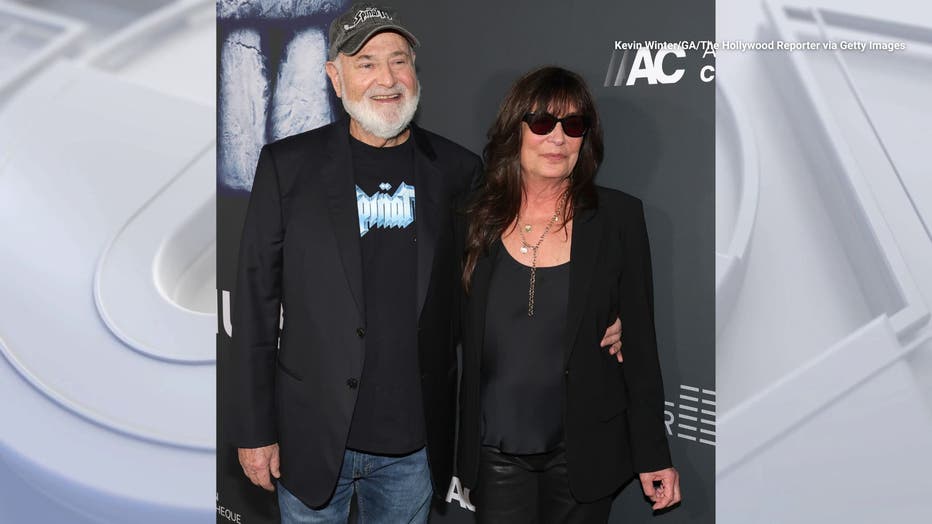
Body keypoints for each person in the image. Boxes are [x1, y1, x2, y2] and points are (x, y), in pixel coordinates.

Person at [225, 4, 624, 522]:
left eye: (399, 61)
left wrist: (601, 320)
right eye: (365, 63)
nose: (386, 79)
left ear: (415, 72)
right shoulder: (287, 167)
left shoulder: (458, 172)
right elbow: (256, 307)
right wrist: (256, 430)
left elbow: (500, 283)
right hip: (311, 436)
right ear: (334, 77)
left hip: (412, 449)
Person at [455, 66, 681, 523]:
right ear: (514, 130)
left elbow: (640, 348)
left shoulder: (618, 218)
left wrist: (654, 453)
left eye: (573, 125)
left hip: (583, 452)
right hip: (495, 450)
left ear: (585, 139)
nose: (557, 138)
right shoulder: (472, 217)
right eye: (542, 123)